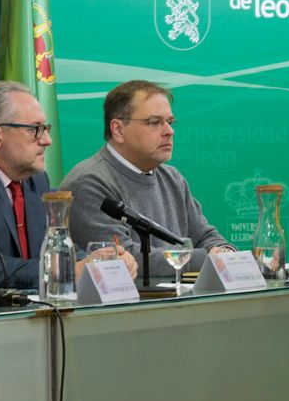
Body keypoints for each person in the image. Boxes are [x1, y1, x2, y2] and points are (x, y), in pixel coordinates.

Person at [0, 81, 138, 289]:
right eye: (35, 130)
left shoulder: (35, 179)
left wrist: (102, 261)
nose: (47, 140)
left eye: (46, 129)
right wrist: (64, 271)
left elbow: (55, 245)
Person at [61, 80, 233, 277]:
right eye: (154, 122)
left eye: (170, 121)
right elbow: (125, 260)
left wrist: (226, 253)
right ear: (118, 129)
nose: (169, 131)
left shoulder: (173, 178)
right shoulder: (89, 183)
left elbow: (206, 237)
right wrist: (210, 259)